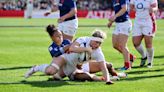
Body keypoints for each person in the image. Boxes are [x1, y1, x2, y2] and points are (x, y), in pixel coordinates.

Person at [25, 28, 114, 84]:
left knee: (56, 78)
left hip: (73, 66)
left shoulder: (98, 51)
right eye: (96, 42)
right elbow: (71, 48)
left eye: (100, 43)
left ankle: (110, 77)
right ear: (92, 39)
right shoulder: (83, 39)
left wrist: (108, 80)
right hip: (65, 58)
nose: (97, 45)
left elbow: (103, 67)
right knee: (50, 71)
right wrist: (86, 49)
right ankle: (36, 68)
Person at [107, 0, 135, 70]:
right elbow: (117, 11)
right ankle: (130, 57)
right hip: (118, 23)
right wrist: (111, 21)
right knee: (115, 45)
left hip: (125, 23)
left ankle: (127, 66)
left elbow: (124, 8)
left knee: (122, 45)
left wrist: (114, 16)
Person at [130, 0, 158, 68]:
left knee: (148, 44)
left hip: (148, 21)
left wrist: (153, 9)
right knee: (136, 43)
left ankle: (149, 62)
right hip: (138, 21)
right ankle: (144, 56)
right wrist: (133, 8)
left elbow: (156, 8)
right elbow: (131, 7)